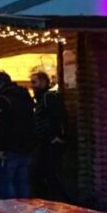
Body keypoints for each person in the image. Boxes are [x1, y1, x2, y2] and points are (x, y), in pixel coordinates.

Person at [0, 71, 36, 200]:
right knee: (23, 180)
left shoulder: (2, 99)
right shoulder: (24, 95)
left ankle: (9, 212)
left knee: (7, 182)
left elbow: (3, 126)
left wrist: (0, 148)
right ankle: (25, 209)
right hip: (27, 145)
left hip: (10, 146)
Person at [31, 71, 68, 201]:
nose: (32, 85)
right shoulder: (41, 99)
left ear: (43, 82)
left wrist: (56, 136)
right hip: (45, 141)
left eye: (34, 82)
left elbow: (59, 117)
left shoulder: (48, 98)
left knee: (47, 173)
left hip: (50, 142)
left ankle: (53, 201)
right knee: (45, 173)